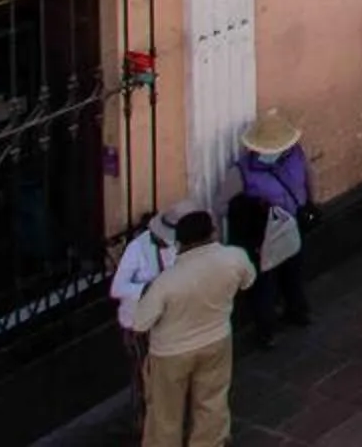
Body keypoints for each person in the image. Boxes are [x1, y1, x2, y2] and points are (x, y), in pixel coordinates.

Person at [131, 209, 251, 447]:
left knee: (166, 414)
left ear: (180, 242)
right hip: (217, 339)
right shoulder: (234, 257)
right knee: (212, 401)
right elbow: (248, 280)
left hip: (170, 353)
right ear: (213, 232)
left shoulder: (167, 282)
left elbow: (140, 322)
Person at [223, 109, 316, 346]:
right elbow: (223, 204)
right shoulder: (241, 171)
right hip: (265, 236)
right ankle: (267, 329)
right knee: (265, 282)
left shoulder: (295, 154)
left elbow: (309, 177)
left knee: (292, 273)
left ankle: (296, 311)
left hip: (293, 225)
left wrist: (310, 203)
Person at [112, 201, 187, 395]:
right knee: (143, 374)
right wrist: (148, 288)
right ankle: (143, 418)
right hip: (138, 322)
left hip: (166, 321)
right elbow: (117, 288)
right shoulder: (136, 249)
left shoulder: (176, 246)